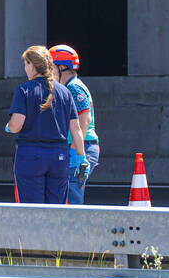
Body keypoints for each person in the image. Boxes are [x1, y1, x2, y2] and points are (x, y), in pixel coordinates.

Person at [6, 46, 87, 204]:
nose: (25, 68)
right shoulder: (65, 92)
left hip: (31, 154)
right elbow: (76, 128)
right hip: (59, 157)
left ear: (32, 65)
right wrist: (81, 157)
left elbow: (16, 125)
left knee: (33, 208)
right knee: (55, 208)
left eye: (25, 64)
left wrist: (9, 126)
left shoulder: (24, 90)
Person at [49, 44, 100, 205]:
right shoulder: (69, 86)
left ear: (62, 67)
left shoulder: (74, 87)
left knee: (72, 197)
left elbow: (84, 120)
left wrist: (76, 152)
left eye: (51, 67)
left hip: (82, 146)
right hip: (78, 146)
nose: (48, 73)